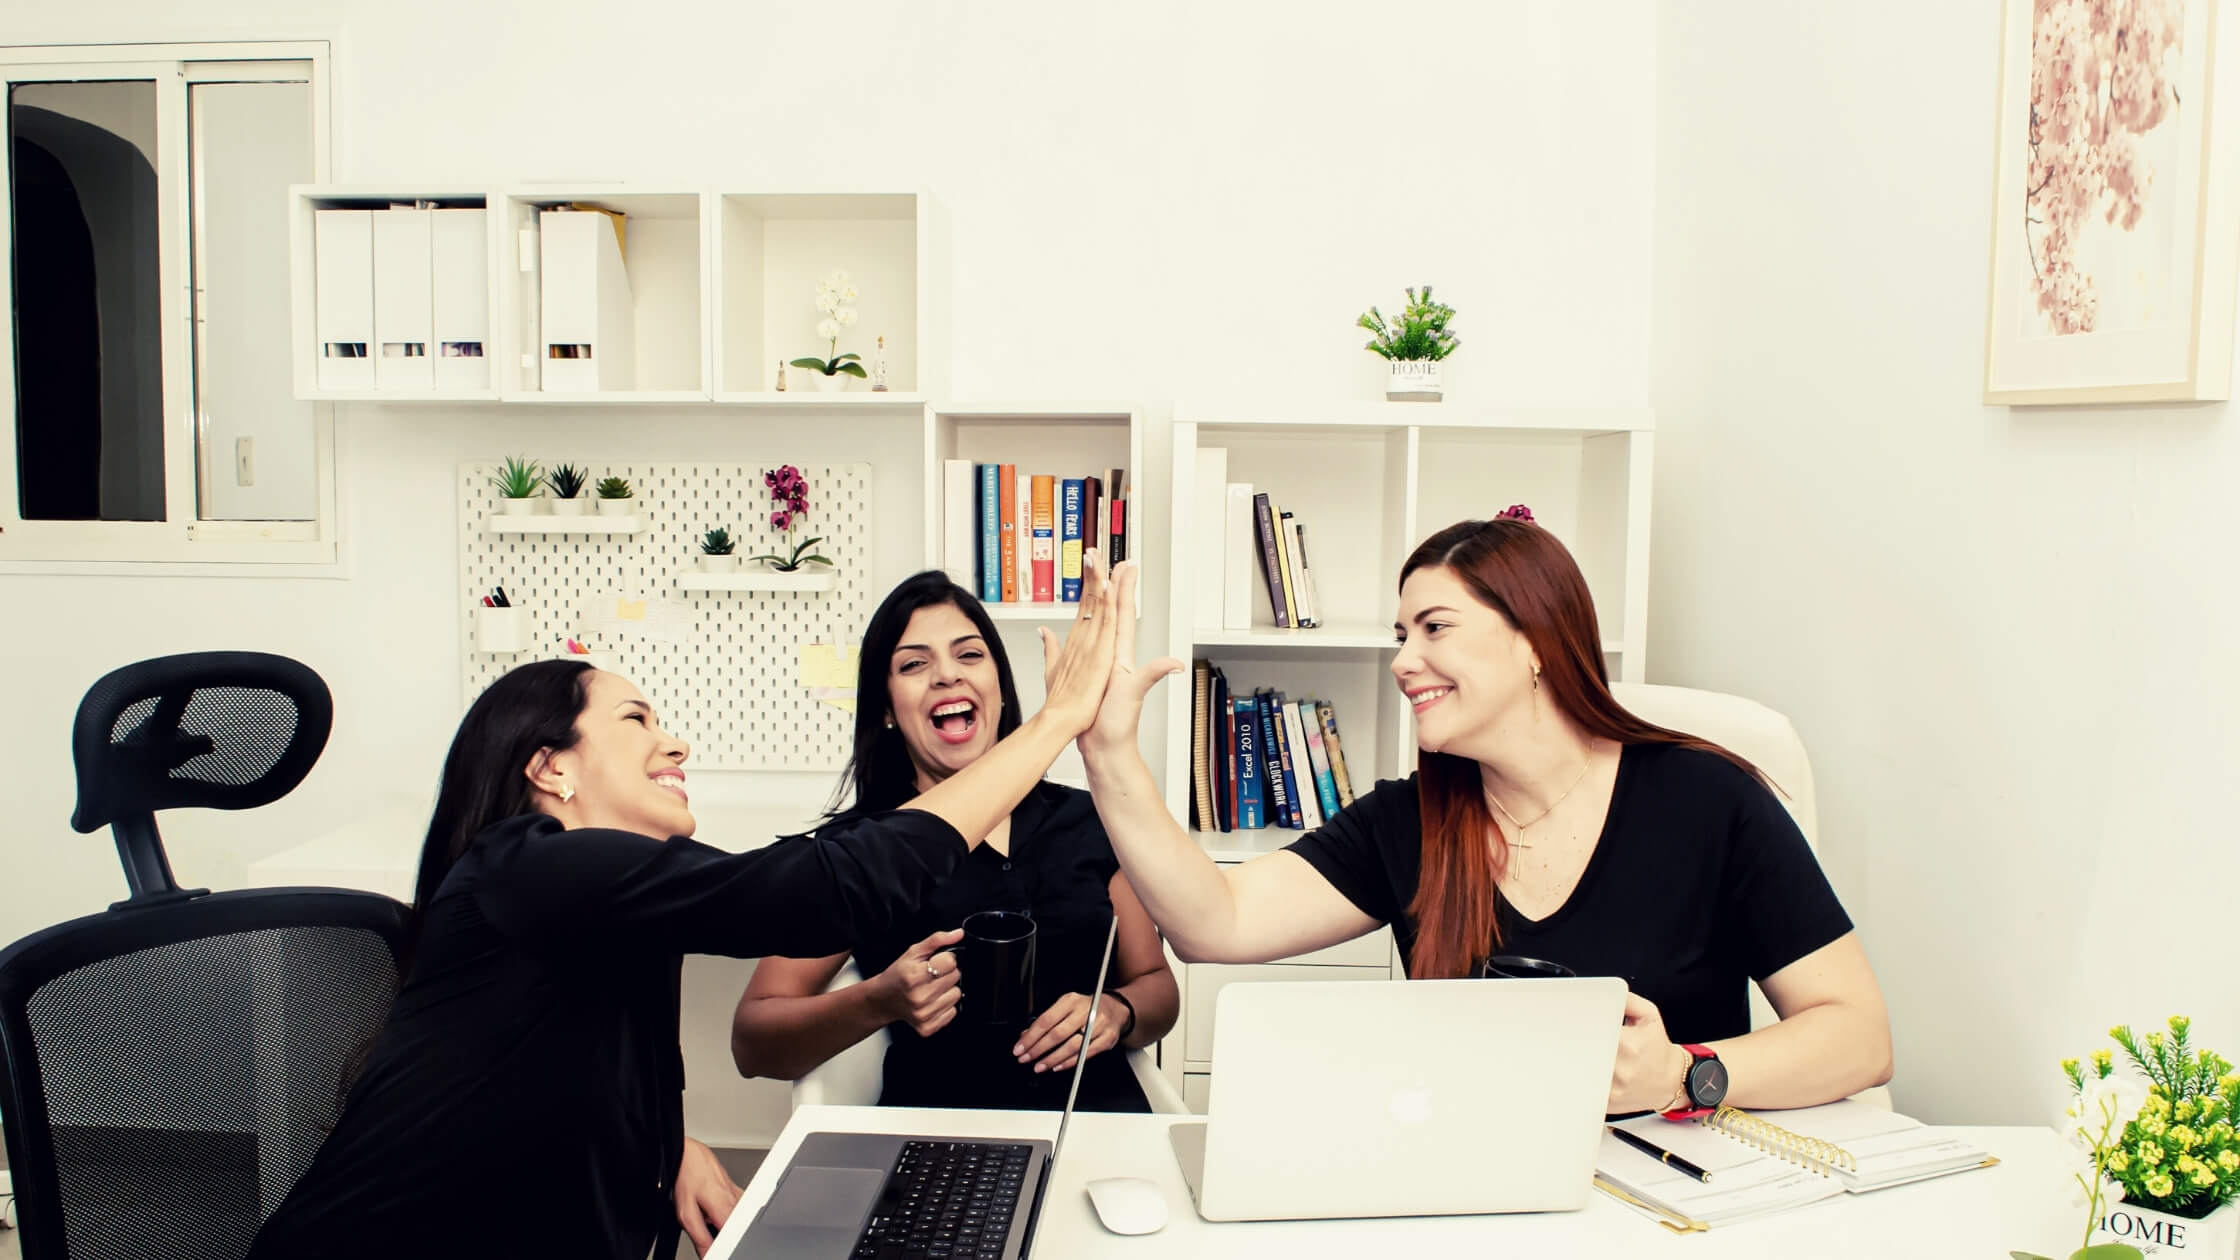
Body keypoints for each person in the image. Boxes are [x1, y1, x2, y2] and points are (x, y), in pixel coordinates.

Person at [248, 556, 1120, 1260]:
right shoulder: (535, 870)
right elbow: (824, 889)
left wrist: (665, 1143)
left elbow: (568, 1068)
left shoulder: (601, 897)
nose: (676, 740)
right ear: (553, 769)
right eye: (637, 720)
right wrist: (1057, 721)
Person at [1075, 517, 1893, 1115]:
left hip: (1672, 1196)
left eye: (1435, 628)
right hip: (1475, 1194)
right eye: (1402, 633)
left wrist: (1686, 1074)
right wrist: (1109, 753)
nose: (1403, 661)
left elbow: (1858, 1036)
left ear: (1535, 641)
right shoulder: (1410, 821)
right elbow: (1216, 921)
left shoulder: (1709, 800)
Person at [732, 565, 1177, 1112]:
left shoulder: (1089, 817)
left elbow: (1158, 987)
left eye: (969, 655)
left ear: (1000, 688)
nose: (947, 676)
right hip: (938, 1146)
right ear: (887, 711)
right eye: (914, 664)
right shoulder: (860, 853)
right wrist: (877, 1002)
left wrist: (1115, 1011)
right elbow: (752, 1043)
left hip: (1099, 1129)